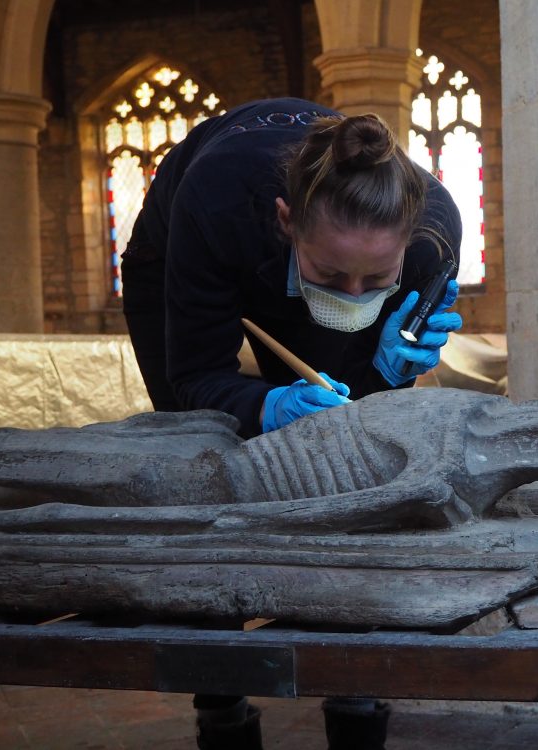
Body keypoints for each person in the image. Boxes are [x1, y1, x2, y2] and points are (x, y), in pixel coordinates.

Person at [120, 98, 463, 750]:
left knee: (352, 464)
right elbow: (195, 375)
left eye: (378, 277)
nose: (355, 296)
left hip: (309, 248)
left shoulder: (433, 239)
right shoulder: (218, 200)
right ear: (286, 222)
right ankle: (220, 698)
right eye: (335, 275)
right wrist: (265, 406)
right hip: (178, 246)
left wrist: (391, 371)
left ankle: (354, 692)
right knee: (201, 455)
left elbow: (362, 409)